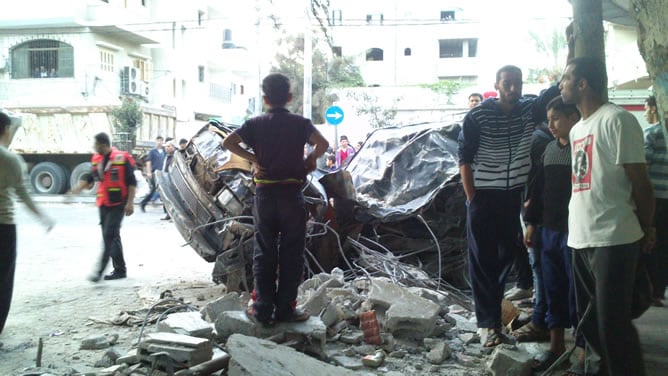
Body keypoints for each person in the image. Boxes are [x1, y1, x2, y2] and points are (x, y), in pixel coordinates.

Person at [560, 56, 653, 376]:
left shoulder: (618, 120)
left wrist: (647, 228)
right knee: (590, 324)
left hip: (615, 235)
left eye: (567, 78)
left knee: (612, 323)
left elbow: (640, 182)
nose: (562, 84)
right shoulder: (577, 130)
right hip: (581, 236)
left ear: (583, 83)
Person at [458, 64, 559, 347]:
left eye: (517, 83)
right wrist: (472, 198)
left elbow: (553, 95)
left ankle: (493, 322)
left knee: (503, 260)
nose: (513, 88)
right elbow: (464, 158)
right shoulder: (478, 115)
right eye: (507, 83)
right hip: (483, 197)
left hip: (511, 197)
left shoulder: (529, 111)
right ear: (497, 85)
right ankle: (487, 326)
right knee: (483, 262)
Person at [222, 73, 328, 325]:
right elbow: (322, 144)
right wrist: (309, 161)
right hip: (292, 196)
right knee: (292, 253)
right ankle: (286, 309)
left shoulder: (255, 124)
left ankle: (262, 309)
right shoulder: (301, 123)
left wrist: (254, 159)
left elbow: (229, 142)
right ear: (289, 97)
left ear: (265, 98)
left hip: (266, 196)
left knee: (264, 251)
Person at [517, 96, 583, 371]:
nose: (551, 124)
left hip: (576, 232)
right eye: (549, 119)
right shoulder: (549, 151)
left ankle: (581, 352)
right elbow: (537, 190)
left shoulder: (582, 151)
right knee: (554, 289)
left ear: (573, 119)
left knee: (578, 294)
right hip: (549, 231)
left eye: (557, 118)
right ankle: (556, 347)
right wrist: (532, 223)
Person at [0, 112, 54, 335]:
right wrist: (43, 217)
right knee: (2, 282)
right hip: (3, 226)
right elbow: (23, 195)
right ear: (6, 129)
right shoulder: (10, 159)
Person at [71, 132, 137, 282]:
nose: (94, 148)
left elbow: (132, 182)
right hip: (103, 203)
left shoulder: (121, 158)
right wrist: (74, 191)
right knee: (112, 236)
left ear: (104, 145)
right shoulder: (97, 159)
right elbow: (90, 178)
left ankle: (99, 272)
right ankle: (120, 270)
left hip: (118, 204)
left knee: (108, 236)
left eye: (96, 145)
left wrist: (130, 203)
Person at [642, 95, 668, 307]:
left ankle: (652, 292)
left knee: (651, 244)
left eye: (646, 108)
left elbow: (642, 167)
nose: (644, 112)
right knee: (665, 245)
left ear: (653, 108)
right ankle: (660, 290)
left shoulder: (652, 133)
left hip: (655, 199)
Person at [139, 136, 165, 212]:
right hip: (154, 173)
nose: (159, 142)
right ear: (156, 142)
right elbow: (148, 162)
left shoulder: (164, 150)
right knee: (154, 190)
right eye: (158, 141)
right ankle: (143, 203)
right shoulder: (152, 151)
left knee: (163, 190)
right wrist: (149, 172)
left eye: (161, 141)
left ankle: (166, 209)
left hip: (162, 173)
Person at [160, 140, 177, 221]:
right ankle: (168, 214)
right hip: (165, 178)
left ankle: (173, 217)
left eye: (168, 146)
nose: (166, 148)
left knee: (172, 198)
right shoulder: (167, 156)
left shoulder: (175, 156)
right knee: (166, 197)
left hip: (172, 179)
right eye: (166, 146)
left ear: (173, 147)